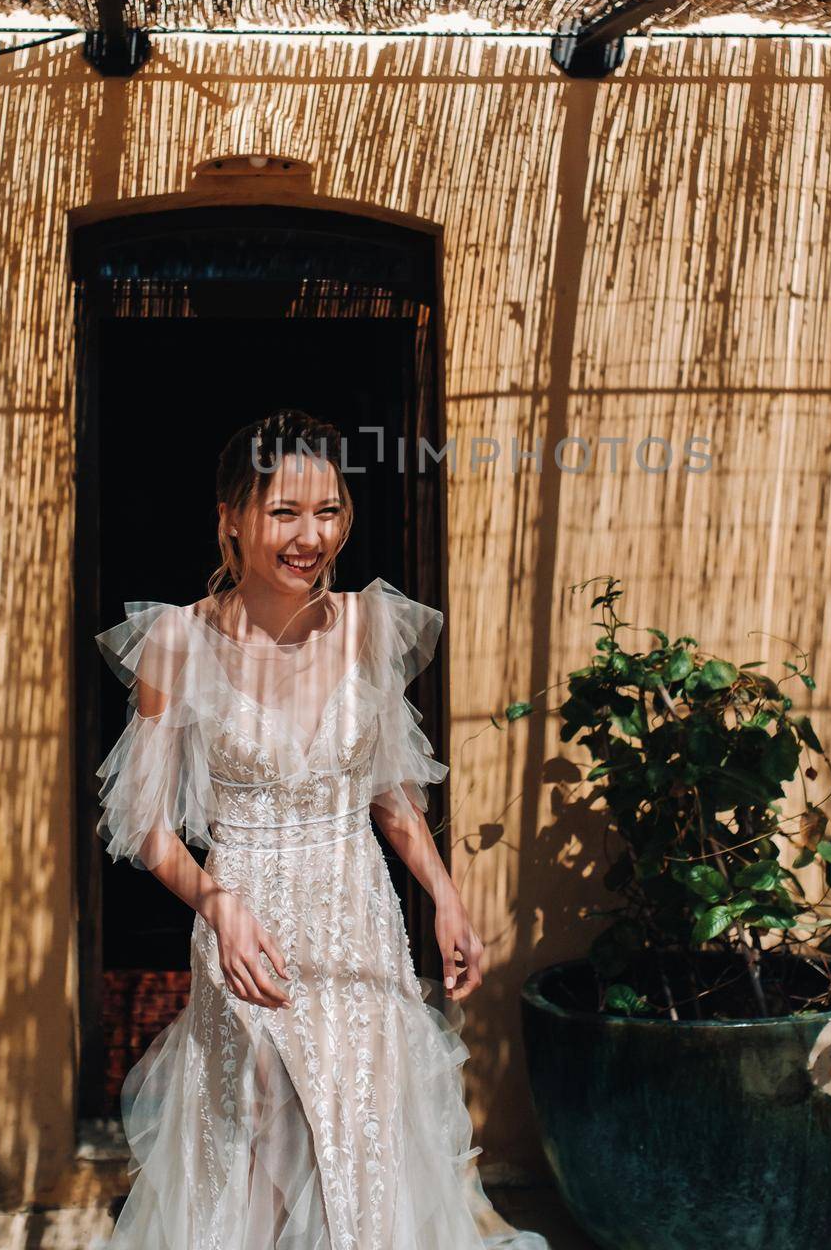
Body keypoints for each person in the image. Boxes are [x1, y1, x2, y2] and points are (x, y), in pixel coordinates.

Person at [91, 408, 550, 1250]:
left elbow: (390, 795)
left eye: (330, 510)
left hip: (356, 918)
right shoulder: (176, 640)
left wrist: (444, 898)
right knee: (262, 1142)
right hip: (247, 924)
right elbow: (147, 827)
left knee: (360, 1142)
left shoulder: (370, 626)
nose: (312, 537)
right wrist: (216, 905)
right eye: (285, 513)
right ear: (231, 519)